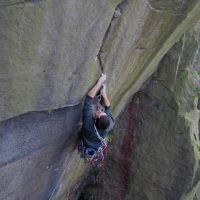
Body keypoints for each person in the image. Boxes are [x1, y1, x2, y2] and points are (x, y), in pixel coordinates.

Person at [81, 74, 114, 152]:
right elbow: (108, 107)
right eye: (103, 112)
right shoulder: (110, 123)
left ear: (94, 121)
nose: (100, 111)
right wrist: (104, 94)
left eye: (98, 113)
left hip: (87, 141)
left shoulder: (88, 124)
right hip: (96, 142)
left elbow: (88, 101)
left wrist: (99, 83)